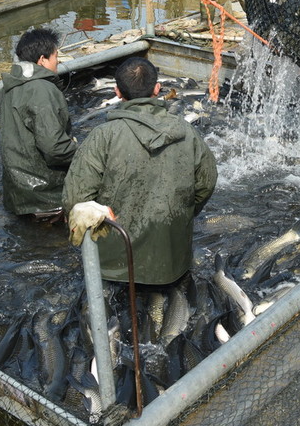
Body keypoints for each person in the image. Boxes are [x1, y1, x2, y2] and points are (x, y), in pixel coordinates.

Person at [63, 57, 218, 285]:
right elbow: (207, 181)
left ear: (117, 91)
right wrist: (182, 212)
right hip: (173, 265)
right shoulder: (187, 132)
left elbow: (75, 200)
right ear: (157, 89)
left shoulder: (103, 136)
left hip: (113, 268)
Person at [0, 28, 77, 222]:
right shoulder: (42, 90)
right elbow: (54, 148)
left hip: (17, 195)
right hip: (46, 199)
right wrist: (81, 152)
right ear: (42, 60)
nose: (58, 61)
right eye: (56, 56)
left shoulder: (10, 85)